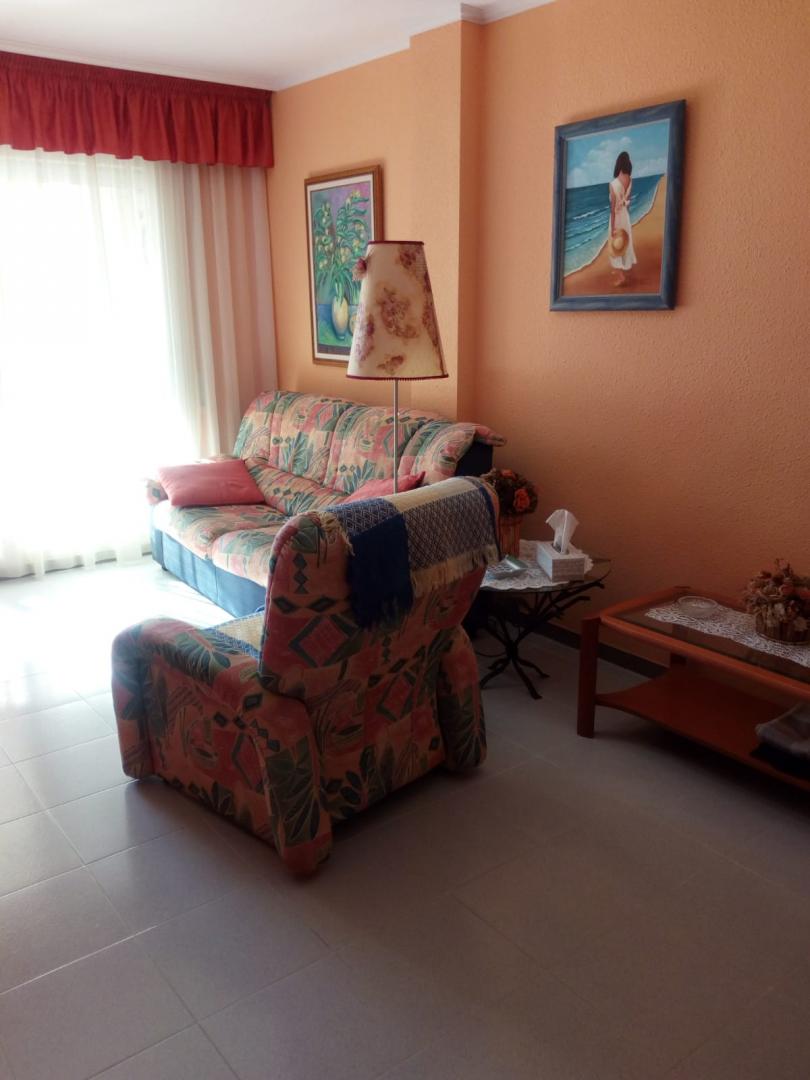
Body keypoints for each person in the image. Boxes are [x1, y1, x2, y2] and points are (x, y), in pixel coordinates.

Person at [608, 151, 636, 286]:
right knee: (624, 242)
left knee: (615, 243)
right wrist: (627, 216)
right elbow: (627, 202)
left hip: (617, 217)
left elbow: (613, 209)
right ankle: (622, 268)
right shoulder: (630, 180)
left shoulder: (613, 184)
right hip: (625, 215)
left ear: (618, 163)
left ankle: (620, 276)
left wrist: (613, 226)